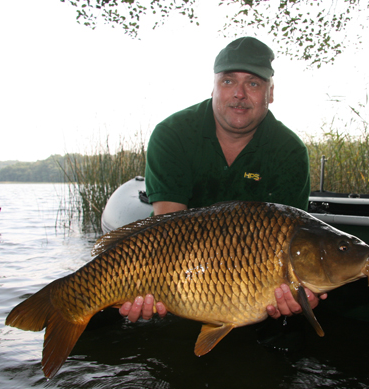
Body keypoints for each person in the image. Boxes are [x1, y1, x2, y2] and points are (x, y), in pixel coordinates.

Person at [119, 36, 326, 325]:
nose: (239, 93)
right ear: (214, 86)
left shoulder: (288, 151)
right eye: (228, 81)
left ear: (271, 92)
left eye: (253, 83)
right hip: (182, 282)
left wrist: (301, 293)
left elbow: (287, 234)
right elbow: (166, 232)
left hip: (255, 295)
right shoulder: (173, 134)